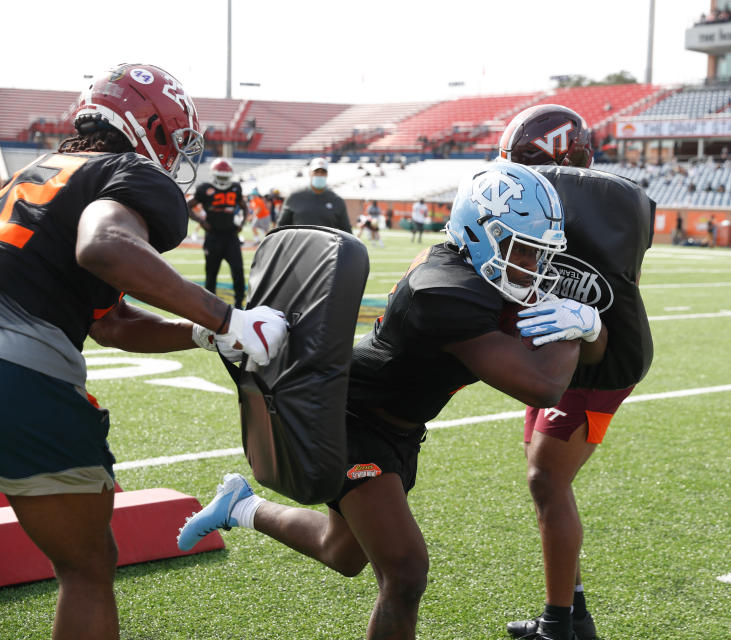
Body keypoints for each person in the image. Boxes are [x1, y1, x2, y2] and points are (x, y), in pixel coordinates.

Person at [176, 163, 606, 640]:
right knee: (404, 573)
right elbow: (541, 385)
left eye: (537, 253)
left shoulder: (483, 274)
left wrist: (588, 325)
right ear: (479, 233)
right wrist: (579, 327)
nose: (530, 266)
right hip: (353, 419)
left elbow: (594, 358)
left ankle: (239, 507)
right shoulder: (444, 291)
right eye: (521, 249)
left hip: (398, 427)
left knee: (341, 552)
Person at [0, 63, 287, 640]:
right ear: (147, 126)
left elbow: (111, 325)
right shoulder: (126, 171)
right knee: (86, 569)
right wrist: (226, 316)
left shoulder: (33, 173)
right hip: (21, 376)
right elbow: (104, 245)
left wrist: (203, 334)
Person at [498, 104, 654, 640]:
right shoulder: (572, 205)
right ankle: (573, 615)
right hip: (558, 352)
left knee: (547, 479)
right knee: (541, 475)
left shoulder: (610, 203)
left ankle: (559, 625)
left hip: (599, 360)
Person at [186, 157, 249, 308]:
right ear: (214, 174)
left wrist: (243, 222)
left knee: (238, 271)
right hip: (213, 236)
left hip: (231, 236)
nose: (222, 180)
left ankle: (239, 304)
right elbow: (188, 206)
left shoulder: (235, 188)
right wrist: (201, 221)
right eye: (220, 176)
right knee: (211, 273)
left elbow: (244, 206)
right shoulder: (204, 189)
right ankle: (210, 306)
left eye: (224, 177)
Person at [276, 157, 351, 233]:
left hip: (327, 244)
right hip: (300, 244)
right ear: (310, 173)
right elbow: (281, 227)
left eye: (323, 172)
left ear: (327, 174)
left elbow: (347, 230)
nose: (319, 175)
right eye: (316, 172)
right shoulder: (294, 197)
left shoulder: (337, 200)